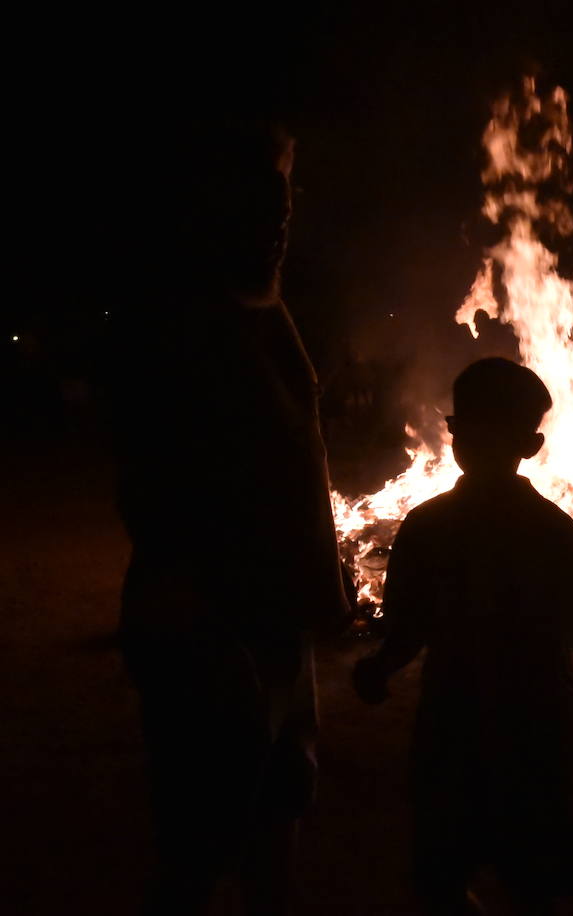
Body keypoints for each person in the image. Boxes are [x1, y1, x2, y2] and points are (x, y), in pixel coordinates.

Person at [104, 120, 350, 914]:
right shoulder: (179, 328)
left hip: (274, 623)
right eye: (255, 208)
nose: (276, 225)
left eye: (283, 205)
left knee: (280, 810)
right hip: (209, 626)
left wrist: (320, 591)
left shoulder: (265, 312)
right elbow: (156, 483)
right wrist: (200, 623)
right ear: (204, 213)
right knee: (203, 843)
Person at [352, 358, 573, 915]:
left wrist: (377, 670)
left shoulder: (427, 527)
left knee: (443, 875)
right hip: (538, 732)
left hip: (451, 728)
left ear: (453, 436)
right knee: (533, 883)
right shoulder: (551, 529)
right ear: (530, 445)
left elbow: (407, 636)